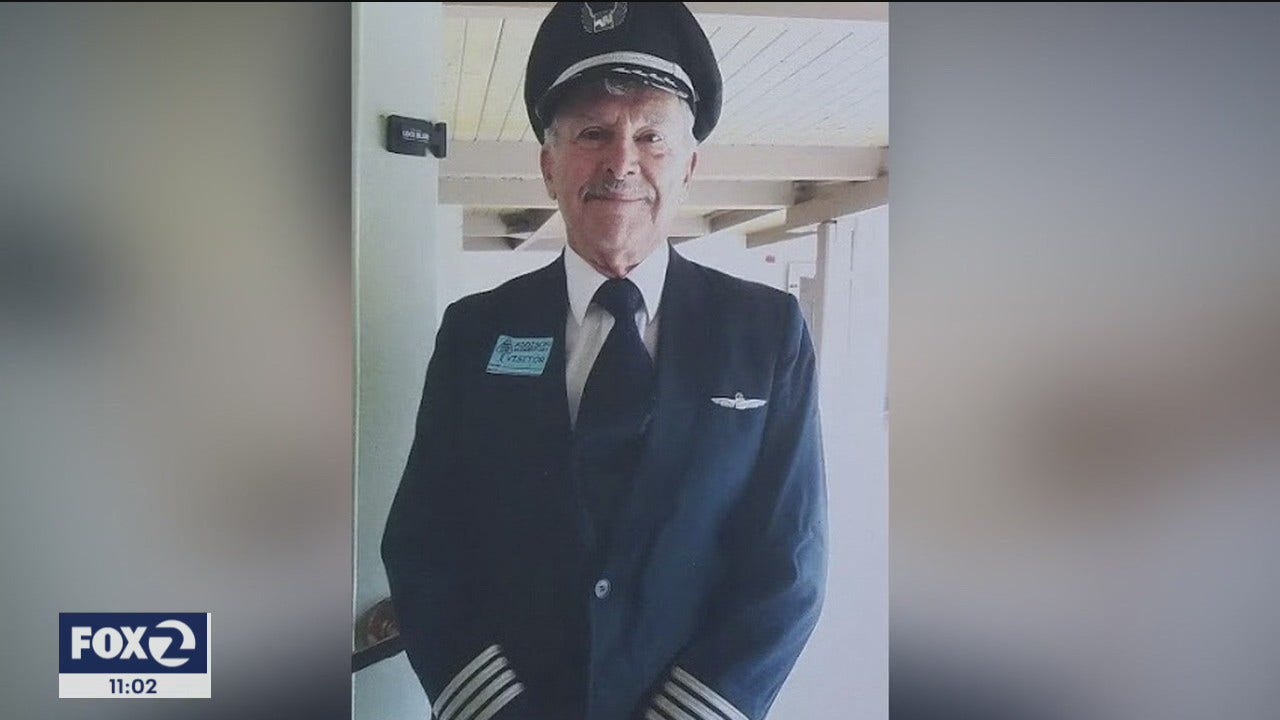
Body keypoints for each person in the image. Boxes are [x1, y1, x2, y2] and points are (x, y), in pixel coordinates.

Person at [381, 4, 827, 719]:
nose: (621, 162)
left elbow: (790, 566)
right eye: (593, 133)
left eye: (651, 136)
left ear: (688, 166)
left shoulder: (766, 333)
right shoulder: (475, 333)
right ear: (548, 166)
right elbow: (422, 544)